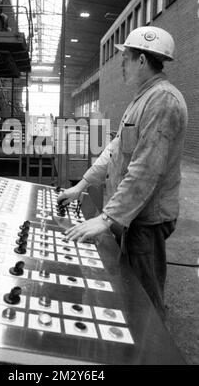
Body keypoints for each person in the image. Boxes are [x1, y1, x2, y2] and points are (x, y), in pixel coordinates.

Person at [57, 26, 188, 319]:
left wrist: (106, 219)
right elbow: (114, 151)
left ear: (142, 60)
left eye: (126, 58)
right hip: (130, 215)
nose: (121, 65)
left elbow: (146, 170)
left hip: (146, 219)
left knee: (145, 294)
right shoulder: (141, 100)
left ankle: (152, 351)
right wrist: (81, 186)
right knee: (129, 286)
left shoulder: (163, 101)